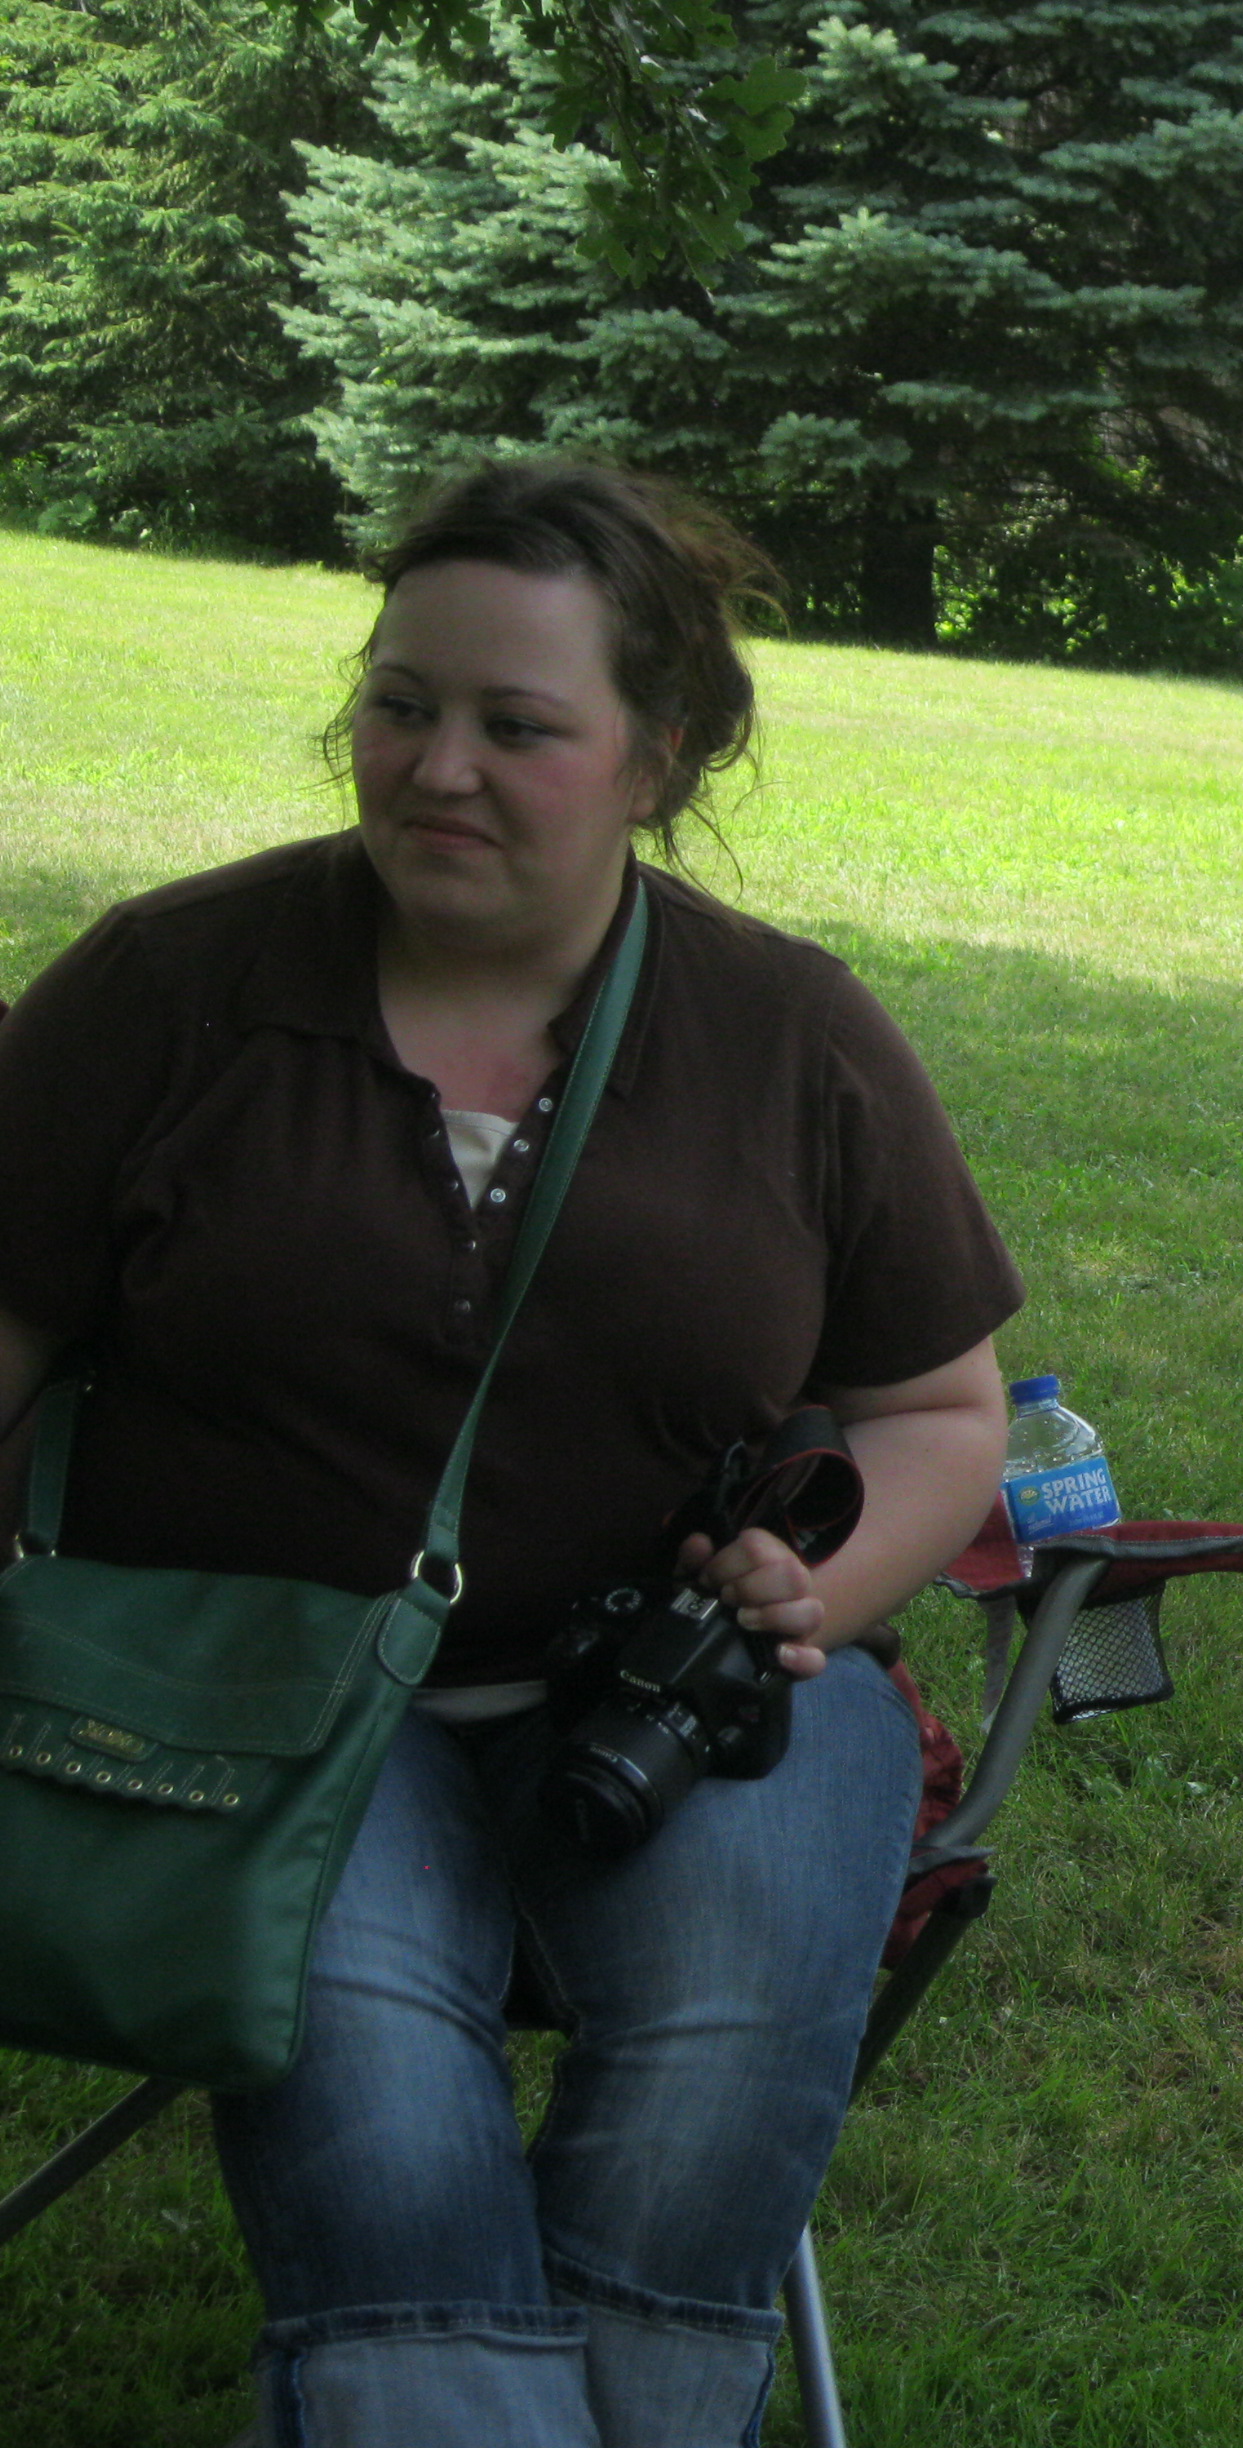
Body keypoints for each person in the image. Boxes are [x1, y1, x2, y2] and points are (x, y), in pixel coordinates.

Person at [0, 459, 1024, 2445]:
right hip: (262, 1695)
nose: (438, 767)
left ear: (659, 753)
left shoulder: (790, 1038)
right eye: (401, 705)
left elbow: (939, 1409)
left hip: (683, 1699)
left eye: (517, 725)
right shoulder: (173, 989)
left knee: (720, 2053)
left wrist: (821, 1586)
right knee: (377, 2088)